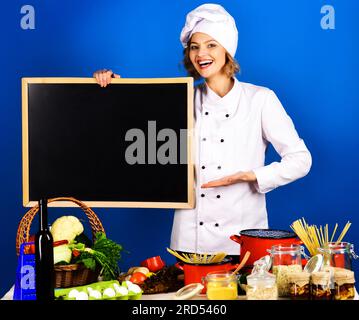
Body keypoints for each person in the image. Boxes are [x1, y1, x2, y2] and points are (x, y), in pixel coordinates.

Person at [93, 3, 312, 261]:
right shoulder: (182, 98)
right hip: (189, 242)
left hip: (242, 241)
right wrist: (116, 89)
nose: (201, 54)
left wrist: (250, 175)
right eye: (194, 47)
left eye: (211, 45)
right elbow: (138, 130)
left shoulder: (260, 99)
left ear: (227, 50)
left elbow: (301, 160)